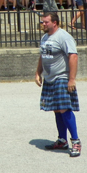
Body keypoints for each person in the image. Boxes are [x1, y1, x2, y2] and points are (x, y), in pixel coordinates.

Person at [35, 12, 81, 158]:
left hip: (62, 76)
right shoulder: (45, 37)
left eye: (46, 22)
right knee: (56, 109)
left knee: (64, 108)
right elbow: (42, 55)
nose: (43, 24)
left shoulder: (64, 36)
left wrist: (71, 79)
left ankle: (76, 141)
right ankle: (62, 140)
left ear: (54, 23)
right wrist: (38, 73)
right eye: (43, 22)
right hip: (49, 78)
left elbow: (73, 56)